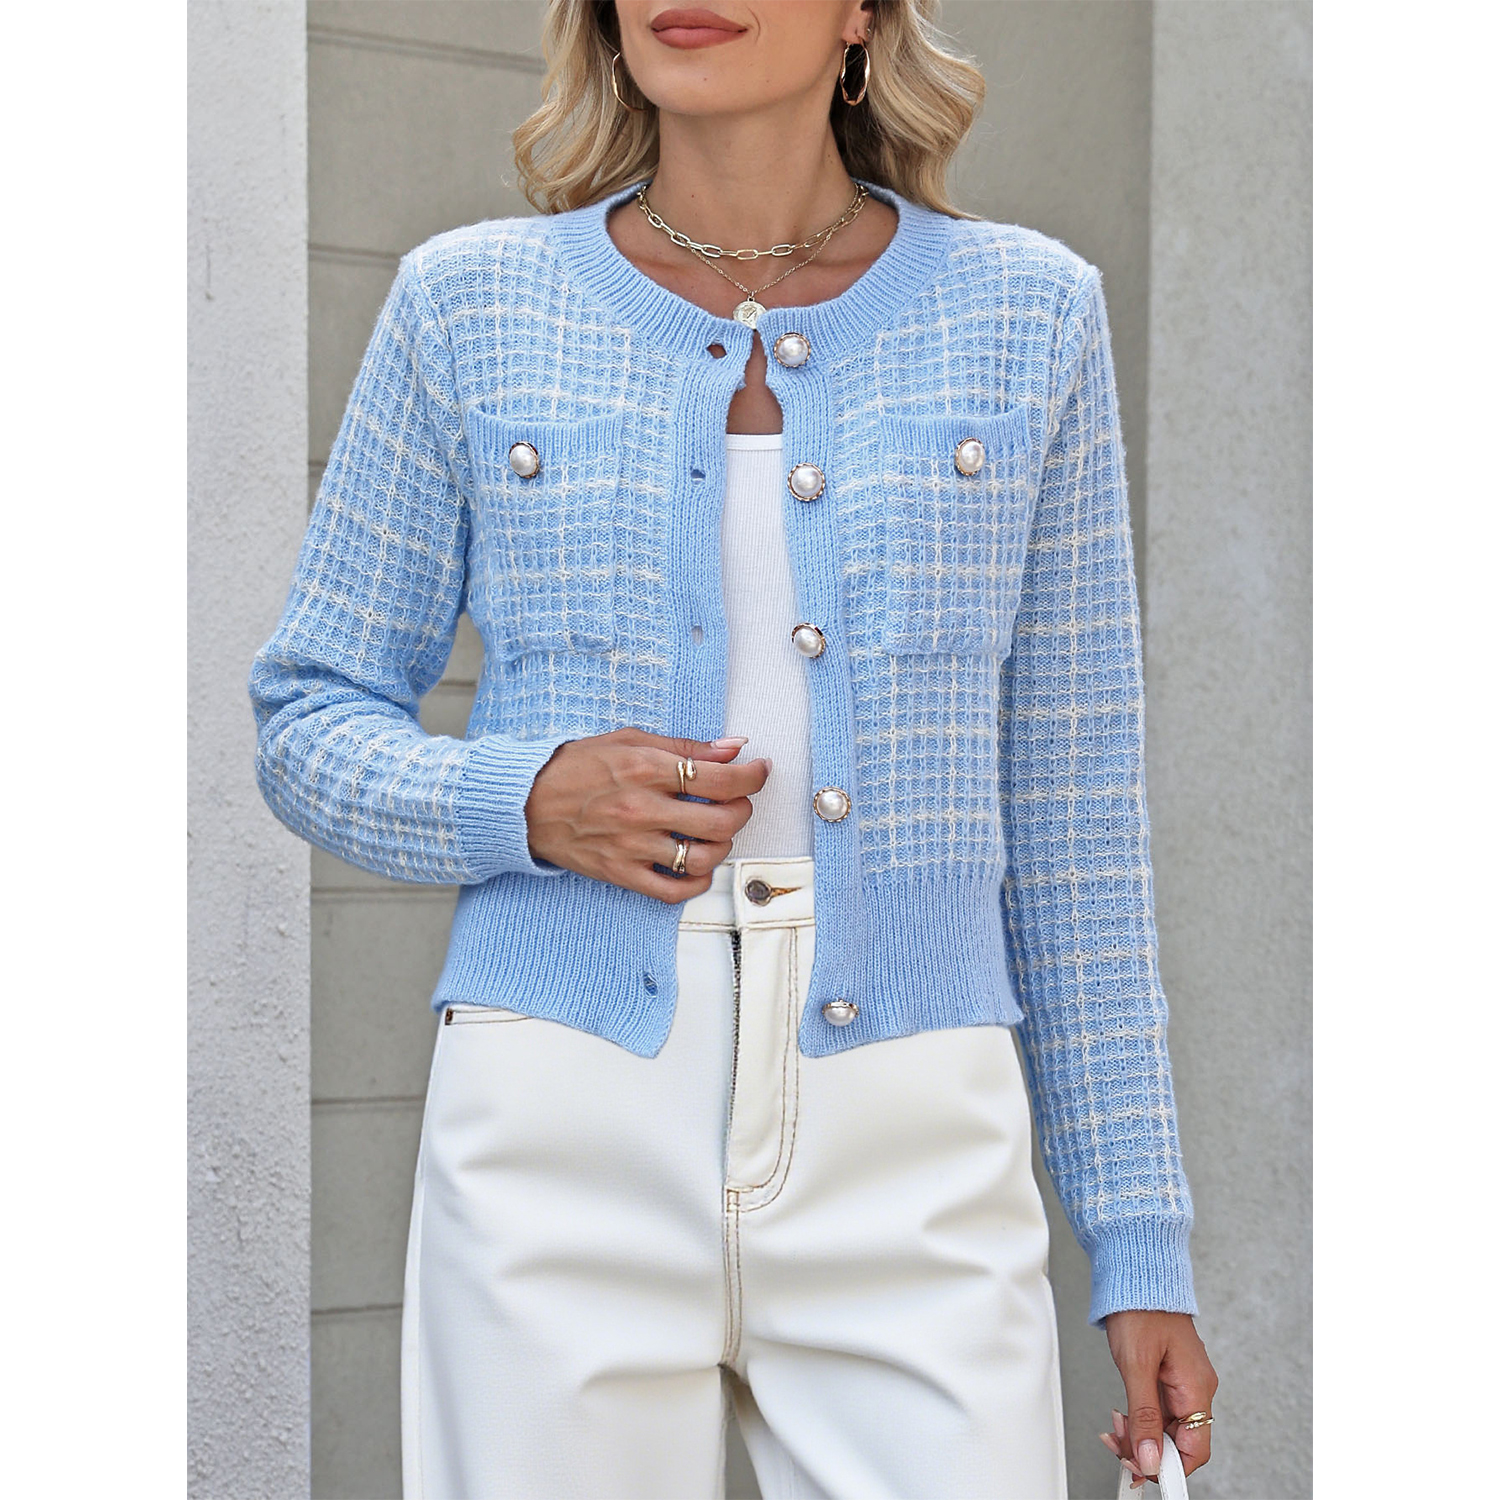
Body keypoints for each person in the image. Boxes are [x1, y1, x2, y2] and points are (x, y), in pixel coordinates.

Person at [249, 1, 1219, 1494]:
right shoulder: (470, 303)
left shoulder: (1029, 312)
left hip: (914, 1124)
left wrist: (1140, 1240)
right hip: (562, 1109)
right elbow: (308, 714)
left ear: (861, 15)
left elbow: (1075, 819)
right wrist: (525, 797)